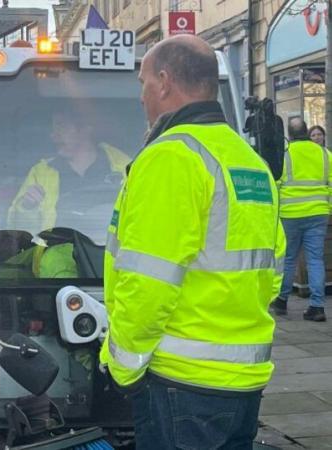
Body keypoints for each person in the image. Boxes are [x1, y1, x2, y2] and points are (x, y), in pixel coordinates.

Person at [99, 35, 285, 449]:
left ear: (164, 82)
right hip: (243, 381)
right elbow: (272, 272)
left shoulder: (171, 157)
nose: (142, 96)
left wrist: (121, 366)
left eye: (143, 83)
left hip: (181, 382)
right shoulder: (245, 159)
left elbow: (148, 282)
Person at [7, 110, 130, 235]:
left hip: (107, 253)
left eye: (61, 126)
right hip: (58, 251)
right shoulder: (41, 173)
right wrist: (27, 207)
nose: (53, 135)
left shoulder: (125, 168)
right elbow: (18, 232)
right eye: (53, 128)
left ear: (86, 129)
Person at [271, 118, 331, 321]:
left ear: (289, 133)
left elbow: (276, 184)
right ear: (307, 131)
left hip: (290, 214)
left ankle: (281, 301)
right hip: (318, 214)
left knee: (288, 259)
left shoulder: (285, 155)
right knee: (315, 260)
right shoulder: (325, 154)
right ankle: (317, 307)